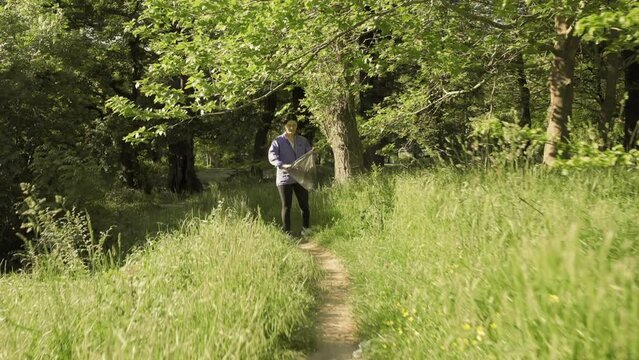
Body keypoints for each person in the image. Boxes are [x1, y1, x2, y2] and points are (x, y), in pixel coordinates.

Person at [268, 119, 312, 236]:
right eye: (289, 125)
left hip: (301, 177)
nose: (291, 127)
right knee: (286, 206)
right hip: (285, 177)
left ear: (297, 126)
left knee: (304, 204)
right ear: (284, 126)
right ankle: (287, 232)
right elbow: (272, 156)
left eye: (294, 125)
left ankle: (306, 229)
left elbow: (309, 154)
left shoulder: (303, 140)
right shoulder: (277, 141)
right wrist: (282, 165)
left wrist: (313, 152)